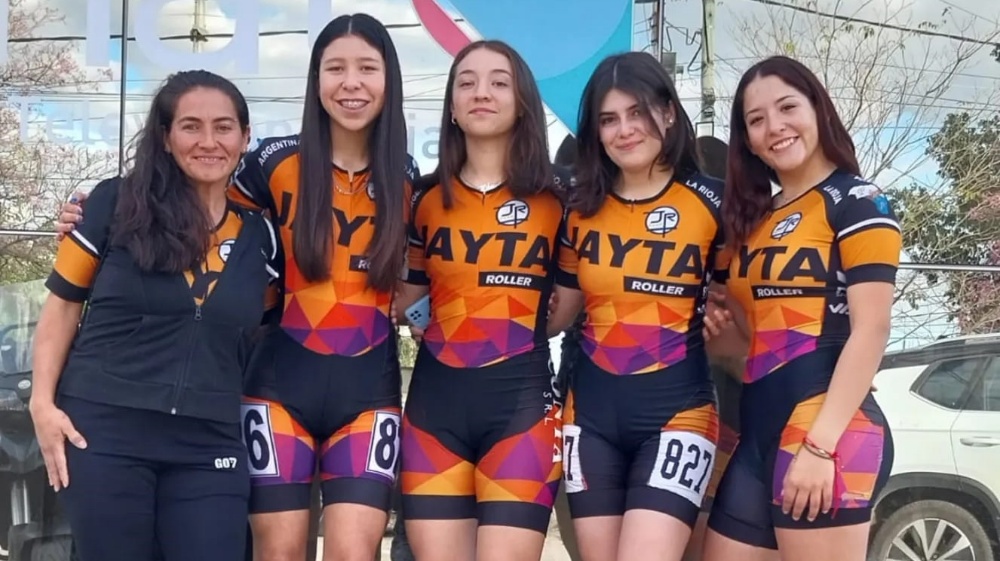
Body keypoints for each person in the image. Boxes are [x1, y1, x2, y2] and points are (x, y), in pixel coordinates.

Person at [54, 13, 418, 561]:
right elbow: (194, 202)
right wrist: (92, 217)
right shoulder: (273, 161)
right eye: (335, 68)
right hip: (275, 384)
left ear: (389, 78)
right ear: (316, 79)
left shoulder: (409, 177)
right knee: (279, 552)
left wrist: (416, 310)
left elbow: (430, 274)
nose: (351, 83)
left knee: (353, 552)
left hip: (369, 388)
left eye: (367, 68)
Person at [31, 70, 279, 561]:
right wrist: (42, 405)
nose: (208, 141)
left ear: (245, 137)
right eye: (190, 126)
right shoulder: (113, 205)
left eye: (223, 127)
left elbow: (261, 331)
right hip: (104, 431)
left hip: (209, 441)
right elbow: (61, 308)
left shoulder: (262, 237)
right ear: (165, 138)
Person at [701, 55, 899, 561]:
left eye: (787, 107)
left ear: (817, 109)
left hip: (828, 431)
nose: (775, 127)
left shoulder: (858, 201)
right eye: (757, 119)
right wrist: (717, 332)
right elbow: (749, 343)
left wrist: (820, 445)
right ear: (747, 140)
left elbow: (872, 329)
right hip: (756, 433)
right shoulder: (749, 224)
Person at [544, 51, 729, 561]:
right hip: (590, 416)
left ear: (667, 112)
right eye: (609, 119)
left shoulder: (715, 201)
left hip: (680, 411)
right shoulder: (580, 207)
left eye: (637, 112)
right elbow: (559, 313)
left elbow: (754, 301)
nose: (624, 130)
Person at [395, 40, 564, 561]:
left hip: (523, 412)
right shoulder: (424, 199)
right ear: (451, 105)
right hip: (434, 411)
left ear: (523, 100)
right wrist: (430, 319)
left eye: (498, 82)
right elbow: (409, 298)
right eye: (466, 83)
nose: (481, 93)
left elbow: (571, 306)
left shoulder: (561, 198)